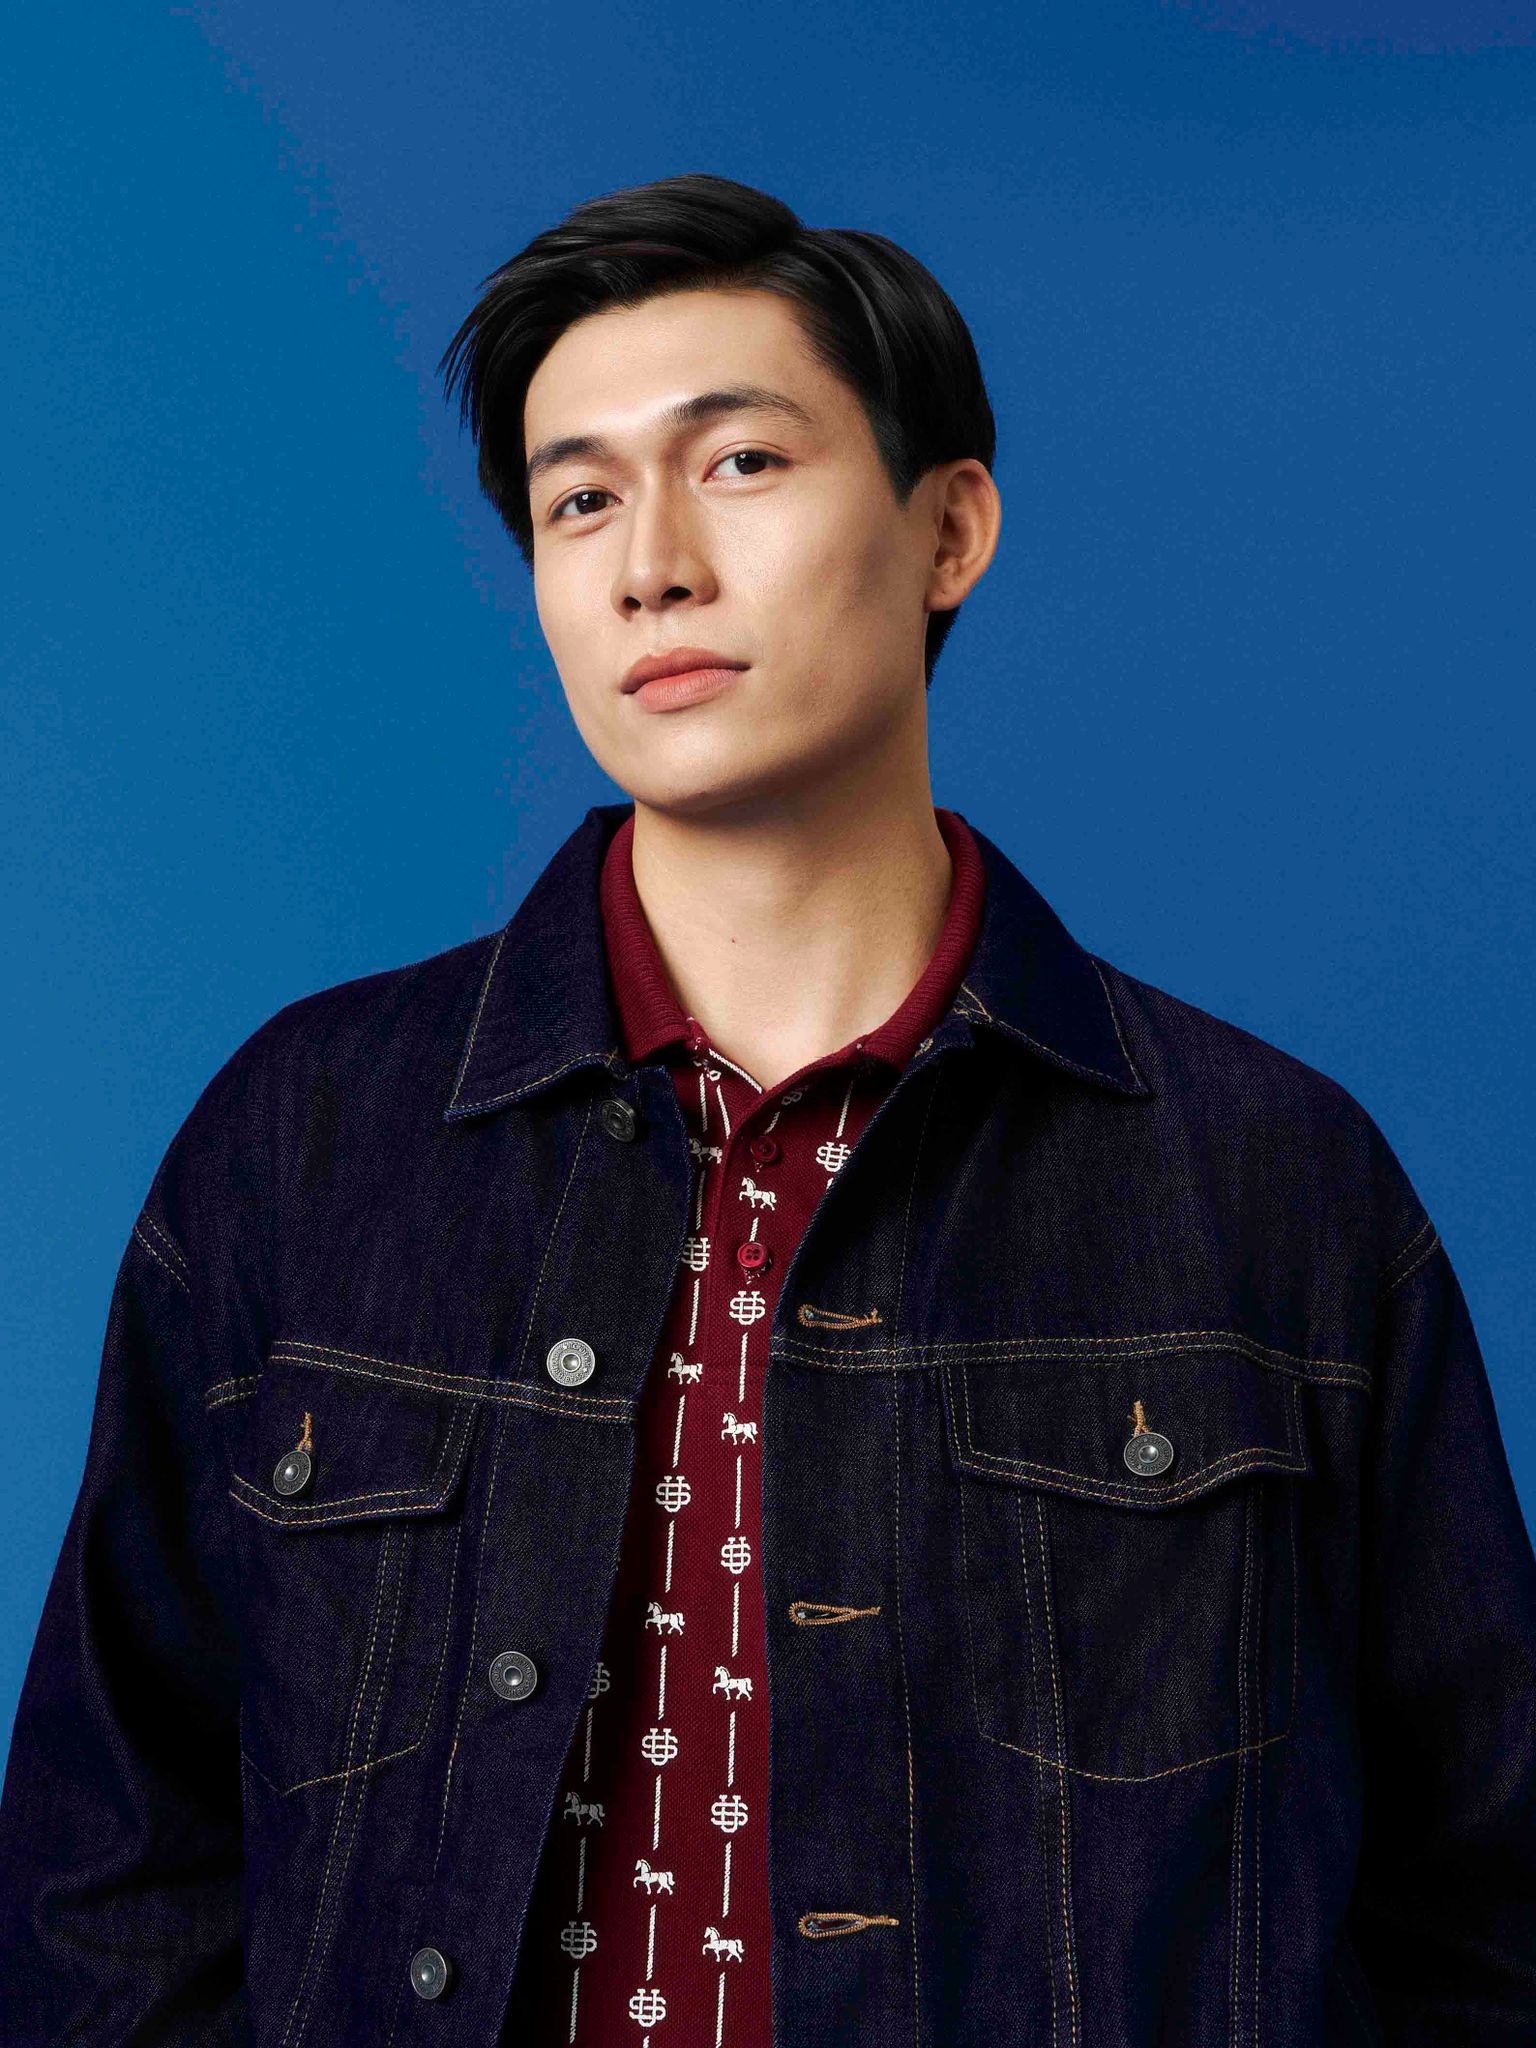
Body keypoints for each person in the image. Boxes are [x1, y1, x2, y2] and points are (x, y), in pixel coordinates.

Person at [1, 170, 1533, 2047]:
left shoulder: (1269, 1180)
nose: (651, 564)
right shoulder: (301, 1143)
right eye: (580, 500)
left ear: (948, 528)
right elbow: (106, 1878)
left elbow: (1488, 1911)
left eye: (739, 463)